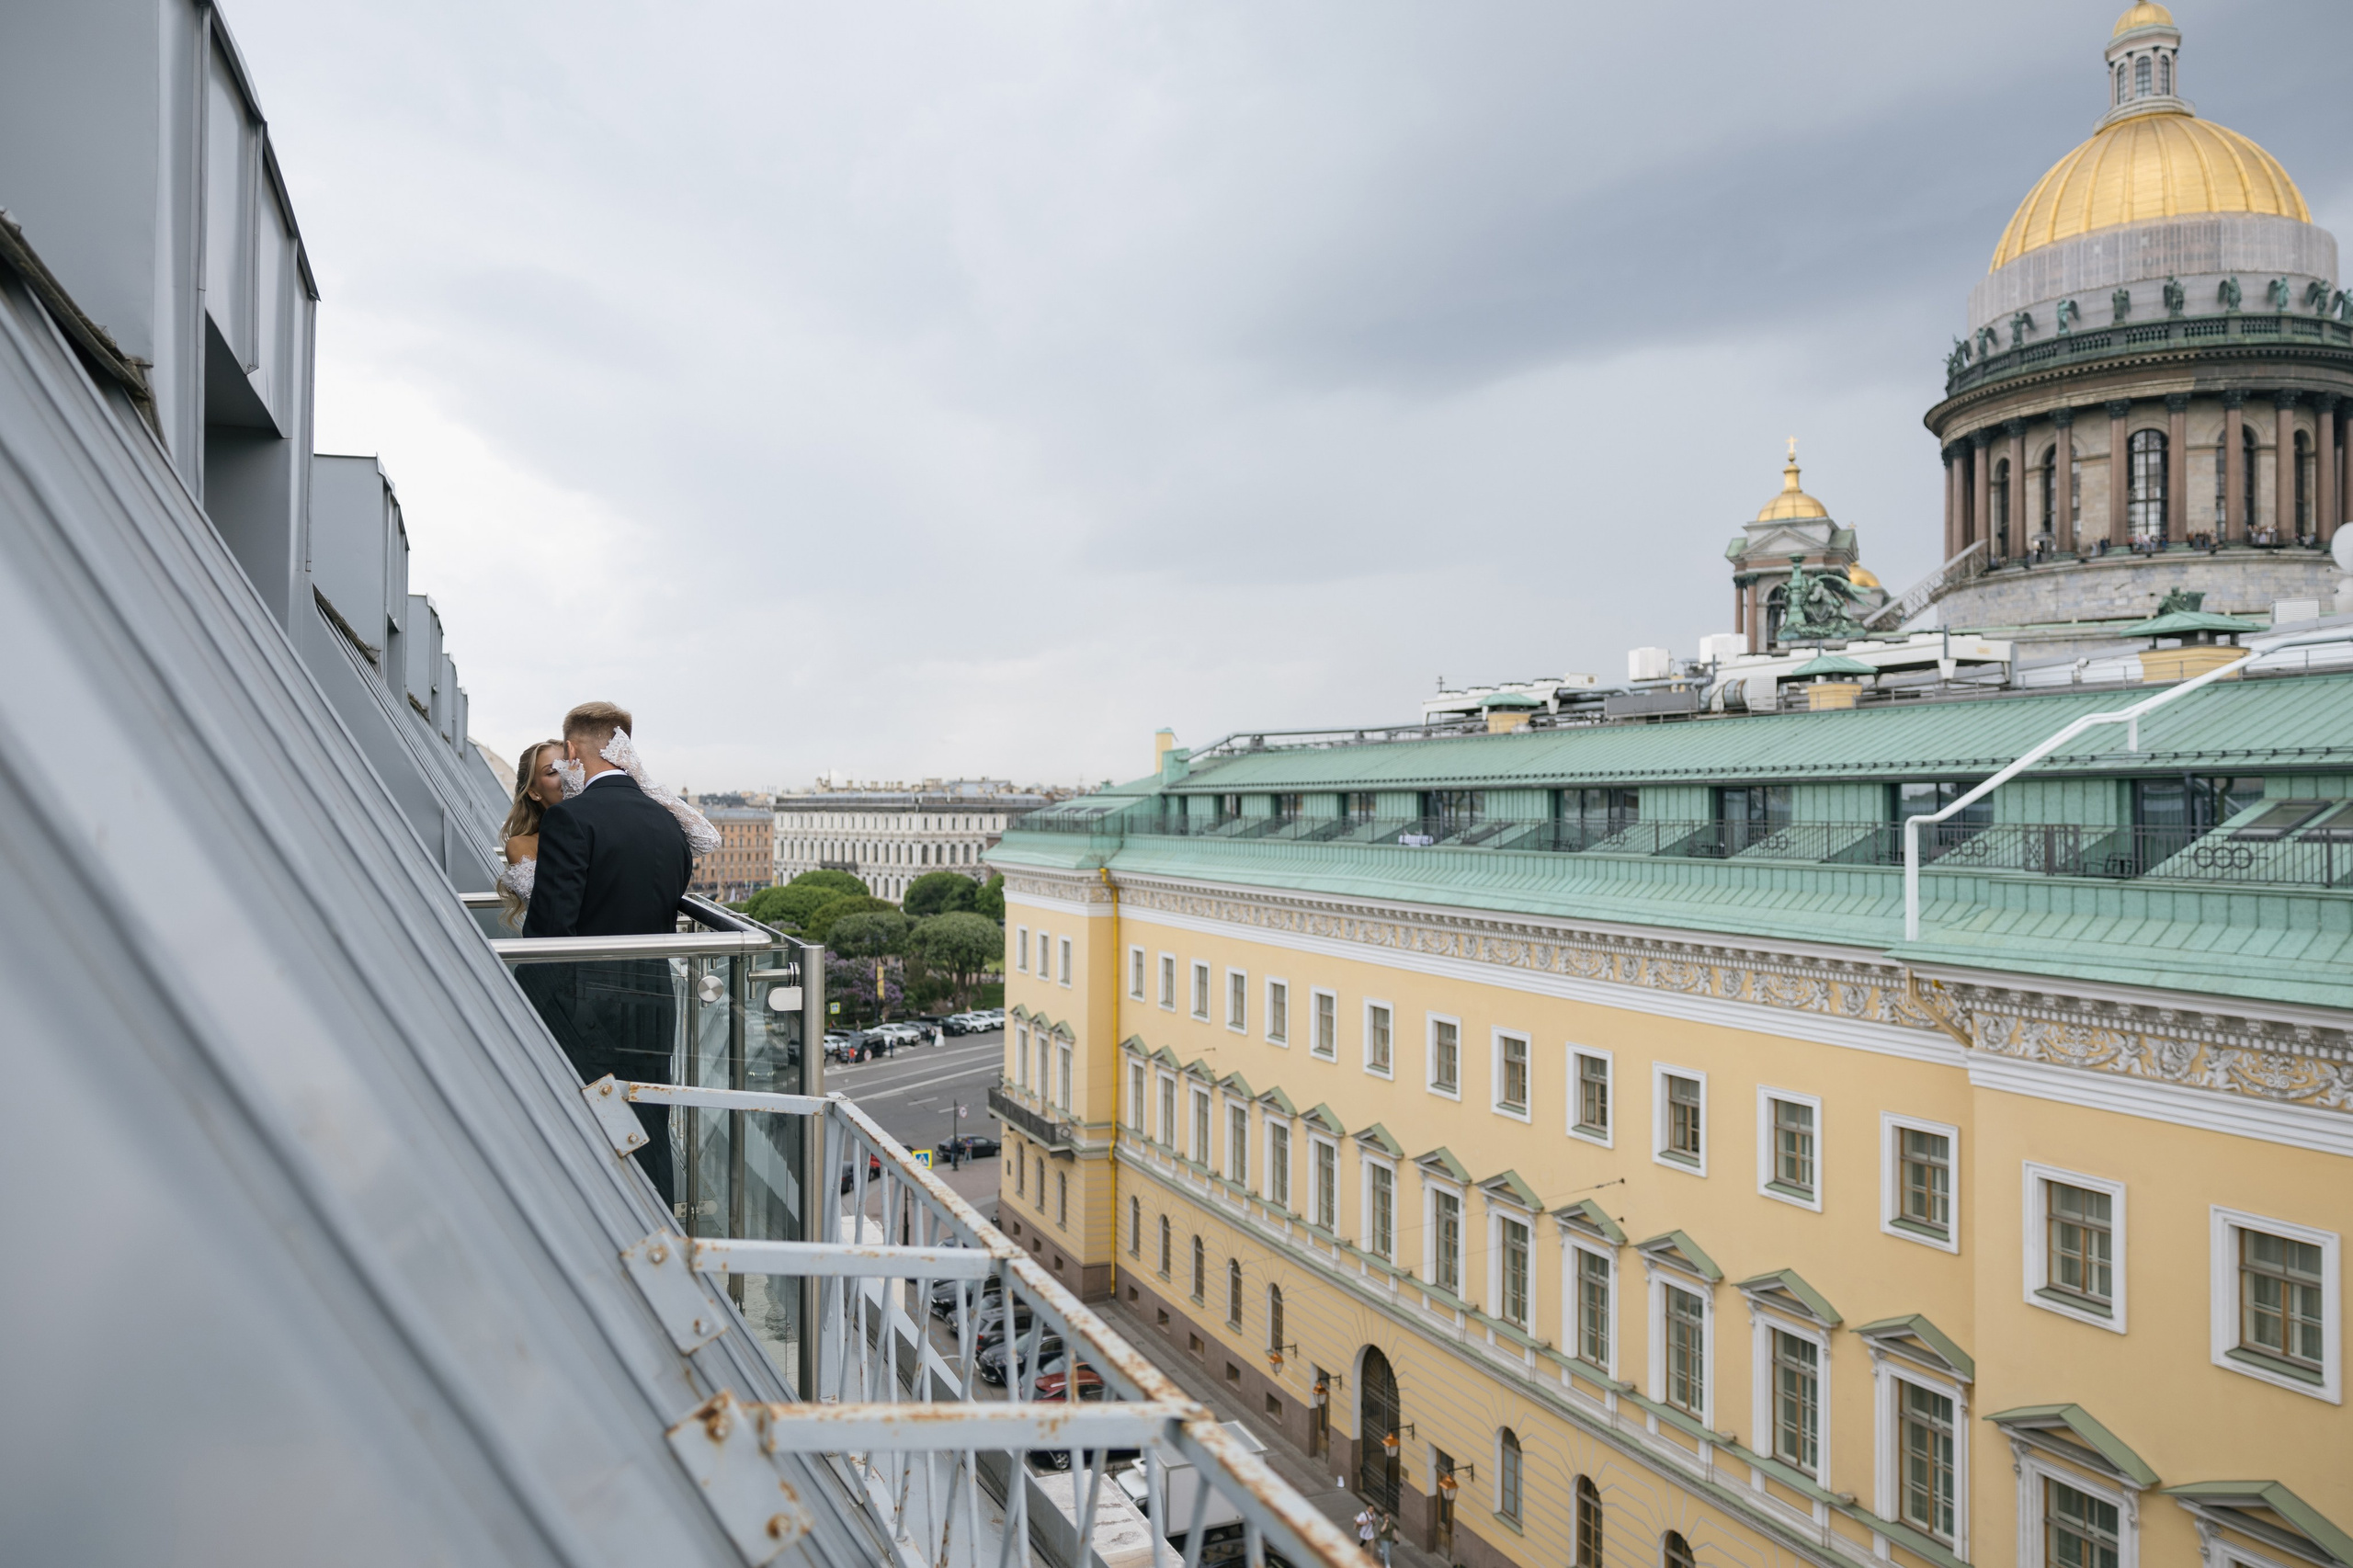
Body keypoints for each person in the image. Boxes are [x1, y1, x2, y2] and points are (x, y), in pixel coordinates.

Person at [519, 701, 703, 1208]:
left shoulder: (572, 821)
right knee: (650, 1127)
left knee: (590, 1130)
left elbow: (551, 932)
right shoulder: (669, 825)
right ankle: (659, 1225)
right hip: (655, 999)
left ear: (574, 752)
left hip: (587, 1005)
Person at [494, 738, 566, 927]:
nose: (567, 776)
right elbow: (550, 905)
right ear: (534, 793)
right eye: (553, 771)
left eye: (570, 766)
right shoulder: (522, 845)